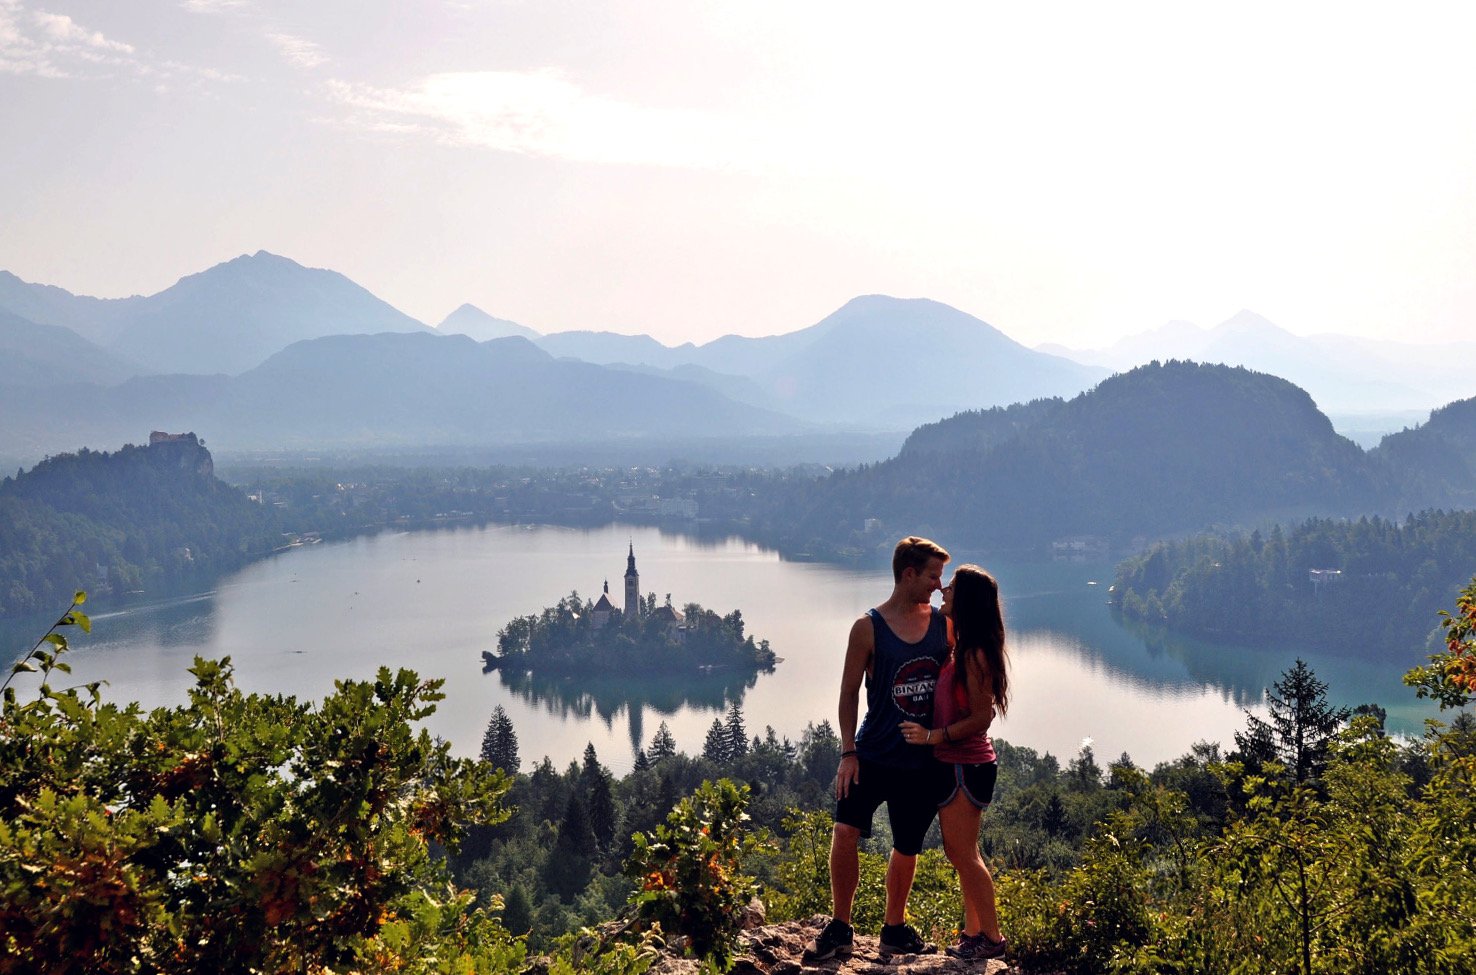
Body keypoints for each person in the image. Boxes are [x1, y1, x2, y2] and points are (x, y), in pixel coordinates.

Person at [803, 536, 951, 963]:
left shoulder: (944, 626)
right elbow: (849, 693)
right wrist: (848, 752)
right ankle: (840, 926)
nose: (938, 586)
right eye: (932, 576)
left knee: (907, 846)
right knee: (845, 831)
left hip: (921, 760)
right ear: (908, 575)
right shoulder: (868, 628)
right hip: (870, 754)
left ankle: (894, 928)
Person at [900, 564, 1010, 961]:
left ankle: (992, 939)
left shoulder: (974, 654)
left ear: (966, 600)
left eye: (951, 586)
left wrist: (934, 737)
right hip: (956, 764)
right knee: (962, 852)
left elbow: (982, 718)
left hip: (966, 765)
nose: (943, 589)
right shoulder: (962, 645)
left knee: (963, 854)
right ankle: (973, 932)